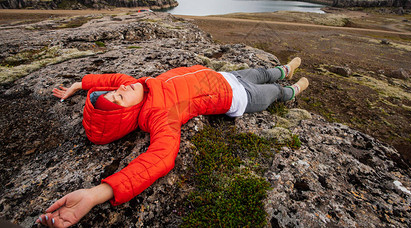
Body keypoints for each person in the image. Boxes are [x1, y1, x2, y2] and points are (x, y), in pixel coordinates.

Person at [37, 58, 309, 227]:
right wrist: (95, 195)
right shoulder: (160, 115)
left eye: (113, 93)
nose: (120, 89)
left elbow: (112, 79)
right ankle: (291, 91)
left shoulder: (135, 87)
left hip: (223, 76)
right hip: (239, 98)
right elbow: (160, 158)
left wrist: (80, 84)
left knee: (262, 72)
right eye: (118, 98)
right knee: (272, 92)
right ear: (127, 113)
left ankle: (284, 69)